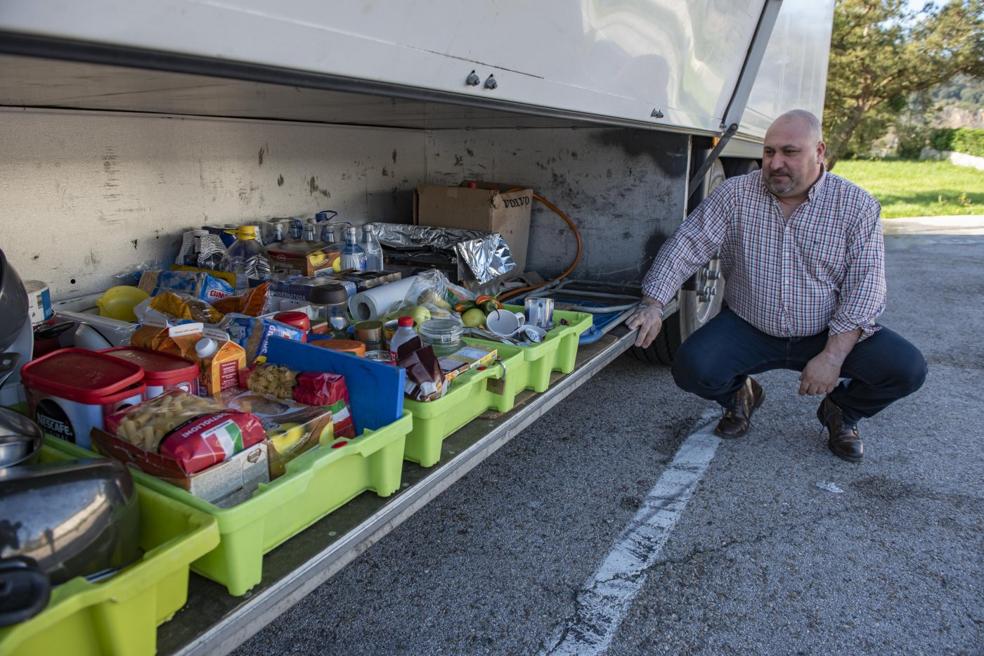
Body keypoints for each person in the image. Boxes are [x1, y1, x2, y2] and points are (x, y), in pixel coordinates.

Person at [627, 109, 927, 462]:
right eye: (769, 152)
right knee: (691, 367)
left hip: (825, 330)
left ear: (820, 152)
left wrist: (832, 357)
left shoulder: (857, 206)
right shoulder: (736, 194)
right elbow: (688, 244)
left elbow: (866, 288)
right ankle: (741, 396)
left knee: (907, 369)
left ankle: (841, 412)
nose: (775, 163)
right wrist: (653, 302)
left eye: (790, 152)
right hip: (750, 324)